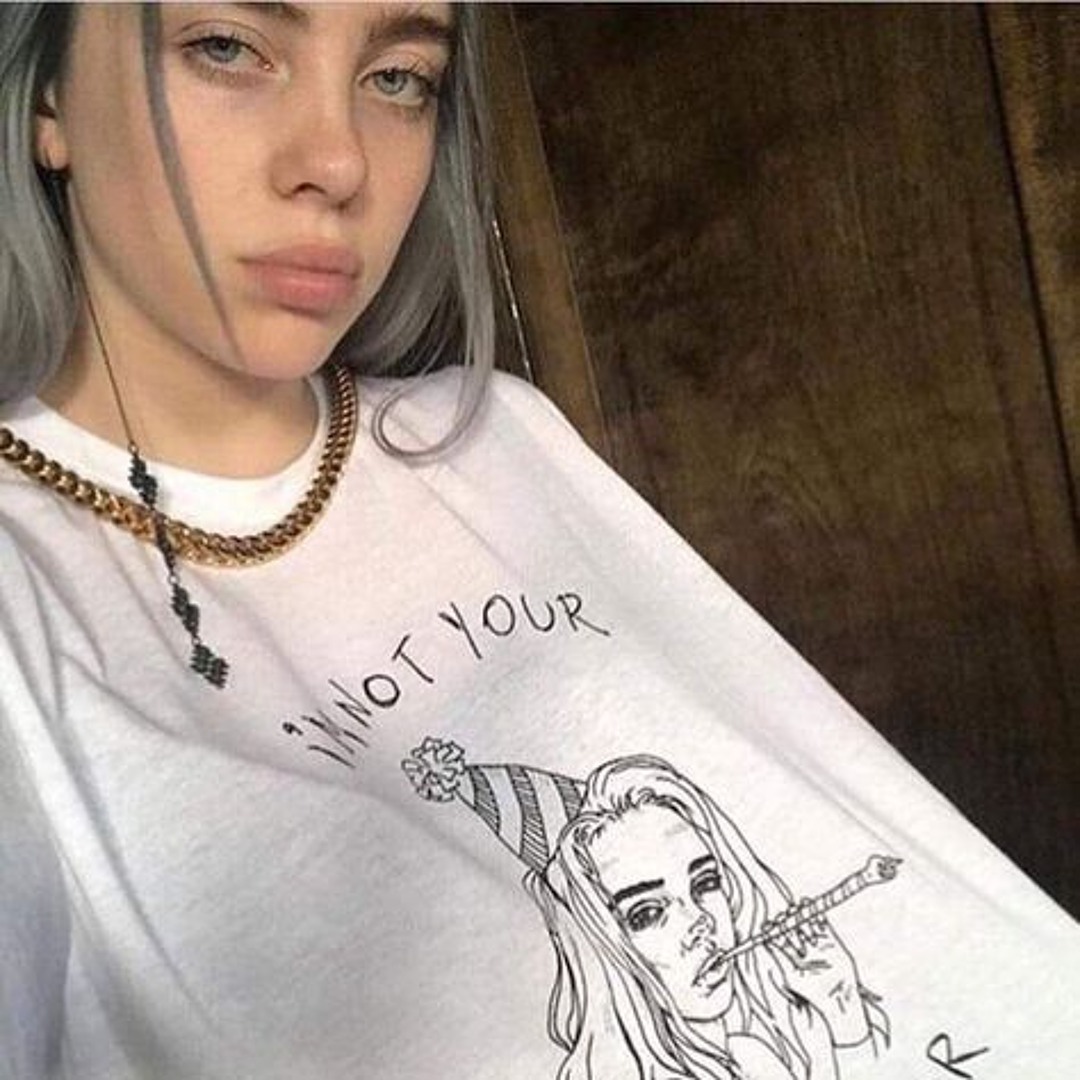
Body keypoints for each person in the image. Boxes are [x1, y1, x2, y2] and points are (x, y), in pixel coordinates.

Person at [2, 5, 1079, 1080]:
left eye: (399, 77)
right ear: (49, 96)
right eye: (228, 48)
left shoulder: (491, 434)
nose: (340, 163)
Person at [527, 755, 889, 1080]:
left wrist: (843, 1016)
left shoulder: (769, 1044)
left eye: (705, 883)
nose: (700, 921)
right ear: (599, 945)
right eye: (648, 913)